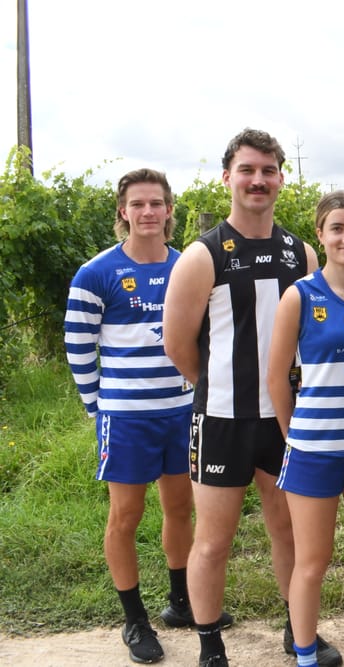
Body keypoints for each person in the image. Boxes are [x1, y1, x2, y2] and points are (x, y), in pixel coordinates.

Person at [162, 129, 341, 667]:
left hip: (286, 418)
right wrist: (222, 387)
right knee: (213, 542)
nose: (258, 180)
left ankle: (298, 631)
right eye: (247, 170)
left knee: (287, 527)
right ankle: (210, 647)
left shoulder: (301, 252)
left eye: (268, 170)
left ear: (282, 178)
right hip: (221, 419)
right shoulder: (203, 255)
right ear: (228, 178)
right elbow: (178, 346)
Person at [64, 168, 231, 664]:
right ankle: (134, 619)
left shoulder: (188, 267)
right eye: (138, 204)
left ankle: (180, 602)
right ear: (123, 212)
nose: (148, 212)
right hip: (127, 417)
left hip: (182, 412)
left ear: (169, 210)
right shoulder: (97, 272)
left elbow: (207, 337)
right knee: (126, 516)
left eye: (157, 203)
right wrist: (98, 407)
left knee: (181, 509)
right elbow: (78, 345)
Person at [267, 191, 344, 667]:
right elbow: (277, 378)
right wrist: (293, 435)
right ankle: (305, 657)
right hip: (313, 451)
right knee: (312, 562)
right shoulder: (299, 295)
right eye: (337, 228)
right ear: (319, 234)